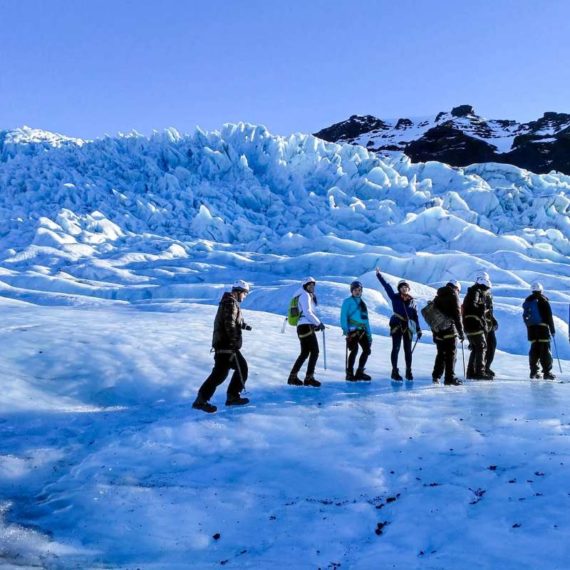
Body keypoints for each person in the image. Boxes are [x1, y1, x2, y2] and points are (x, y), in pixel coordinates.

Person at [192, 280, 252, 413]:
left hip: (223, 344)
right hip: (227, 345)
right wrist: (233, 340)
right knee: (241, 368)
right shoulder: (230, 303)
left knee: (219, 374)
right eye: (245, 294)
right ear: (238, 292)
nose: (245, 297)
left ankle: (201, 400)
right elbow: (229, 322)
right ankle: (232, 397)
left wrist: (244, 325)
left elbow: (232, 320)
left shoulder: (230, 302)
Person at [376, 268, 422, 381]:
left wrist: (419, 329)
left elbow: (415, 316)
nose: (404, 288)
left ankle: (408, 371)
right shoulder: (395, 297)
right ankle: (394, 371)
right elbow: (387, 287)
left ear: (408, 288)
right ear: (399, 288)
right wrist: (379, 275)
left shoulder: (412, 301)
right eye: (402, 287)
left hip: (408, 327)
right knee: (396, 348)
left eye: (406, 287)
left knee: (407, 350)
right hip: (397, 324)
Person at [287, 277, 325, 387]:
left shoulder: (299, 295)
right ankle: (309, 378)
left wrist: (314, 324)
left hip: (301, 327)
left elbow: (304, 313)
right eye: (309, 285)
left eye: (313, 285)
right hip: (306, 327)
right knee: (314, 351)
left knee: (304, 353)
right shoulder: (305, 295)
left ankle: (292, 377)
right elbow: (307, 312)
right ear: (305, 286)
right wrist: (318, 323)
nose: (312, 287)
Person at [431, 280, 465, 385]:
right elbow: (457, 316)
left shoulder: (437, 297)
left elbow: (433, 316)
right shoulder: (453, 296)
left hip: (438, 331)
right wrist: (461, 332)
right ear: (456, 288)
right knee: (451, 354)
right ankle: (449, 378)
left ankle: (436, 376)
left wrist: (435, 333)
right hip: (450, 330)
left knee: (441, 353)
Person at [462, 272, 494, 380]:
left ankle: (471, 372)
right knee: (481, 346)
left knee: (476, 348)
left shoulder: (473, 291)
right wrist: (482, 308)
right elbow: (473, 306)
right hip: (475, 324)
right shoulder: (476, 292)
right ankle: (480, 372)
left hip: (470, 324)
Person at [340, 280, 372, 381]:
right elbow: (343, 316)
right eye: (355, 290)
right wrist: (346, 330)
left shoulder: (363, 303)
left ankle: (359, 372)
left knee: (367, 350)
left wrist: (369, 335)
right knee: (354, 350)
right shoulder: (347, 302)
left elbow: (366, 320)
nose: (357, 292)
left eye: (359, 290)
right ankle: (349, 373)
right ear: (352, 291)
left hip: (362, 330)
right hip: (352, 330)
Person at [523, 281, 556, 380]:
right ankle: (547, 372)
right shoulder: (543, 300)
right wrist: (552, 329)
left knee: (534, 349)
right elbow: (549, 316)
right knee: (545, 350)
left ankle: (533, 372)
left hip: (531, 329)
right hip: (542, 328)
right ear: (541, 290)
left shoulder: (528, 300)